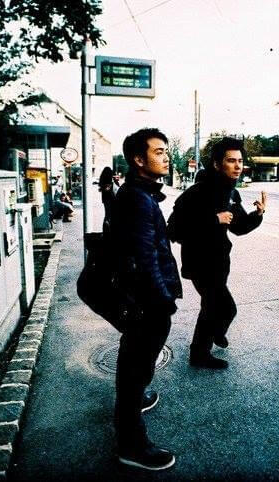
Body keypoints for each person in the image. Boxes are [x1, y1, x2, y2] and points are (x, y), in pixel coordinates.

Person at [110, 128, 182, 471]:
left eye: (166, 151)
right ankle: (131, 445)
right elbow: (145, 257)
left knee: (136, 363)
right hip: (146, 301)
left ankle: (136, 398)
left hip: (143, 298)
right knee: (134, 368)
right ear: (139, 160)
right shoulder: (138, 199)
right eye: (158, 152)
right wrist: (163, 300)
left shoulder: (140, 194)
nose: (166, 157)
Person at [167, 137, 266, 369]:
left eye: (240, 161)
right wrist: (213, 220)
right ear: (216, 164)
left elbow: (238, 227)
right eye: (231, 161)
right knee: (219, 307)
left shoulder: (231, 194)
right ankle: (199, 354)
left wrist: (258, 215)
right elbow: (174, 230)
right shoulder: (196, 193)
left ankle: (214, 334)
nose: (237, 166)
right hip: (199, 262)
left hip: (219, 261)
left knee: (221, 309)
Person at [99, 166, 116, 232]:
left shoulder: (103, 181)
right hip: (109, 199)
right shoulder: (108, 183)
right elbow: (108, 190)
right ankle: (106, 229)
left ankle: (105, 229)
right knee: (109, 215)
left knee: (107, 214)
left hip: (105, 199)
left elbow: (102, 189)